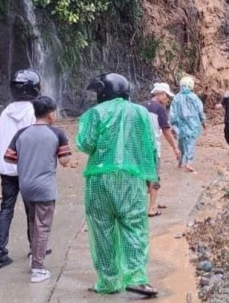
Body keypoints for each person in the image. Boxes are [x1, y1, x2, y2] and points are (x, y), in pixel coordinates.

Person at [76, 73, 159, 297]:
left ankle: (108, 281)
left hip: (99, 179)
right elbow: (150, 146)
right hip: (131, 178)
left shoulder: (95, 113)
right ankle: (137, 278)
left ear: (104, 91)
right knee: (134, 226)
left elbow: (85, 144)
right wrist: (152, 178)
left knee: (102, 229)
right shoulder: (141, 112)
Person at [3, 96, 71, 283]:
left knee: (33, 222)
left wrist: (28, 158)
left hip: (25, 186)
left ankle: (35, 255)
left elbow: (8, 158)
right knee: (43, 227)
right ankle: (38, 269)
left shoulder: (22, 133)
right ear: (51, 114)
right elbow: (65, 161)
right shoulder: (57, 133)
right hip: (45, 188)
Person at [0, 69, 41, 269]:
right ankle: (35, 249)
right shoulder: (32, 111)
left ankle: (0, 254)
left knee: (6, 209)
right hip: (27, 168)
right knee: (33, 210)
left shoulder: (6, 112)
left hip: (6, 168)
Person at [142, 83, 181, 217]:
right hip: (153, 148)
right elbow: (166, 130)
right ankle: (152, 208)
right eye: (167, 97)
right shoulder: (159, 109)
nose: (167, 100)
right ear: (160, 94)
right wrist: (175, 147)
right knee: (154, 177)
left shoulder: (140, 107)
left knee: (141, 176)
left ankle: (140, 205)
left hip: (137, 148)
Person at [169, 76, 207, 173]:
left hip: (180, 124)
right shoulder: (194, 97)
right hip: (192, 123)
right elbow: (200, 109)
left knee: (181, 142)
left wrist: (171, 123)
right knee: (190, 143)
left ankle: (180, 162)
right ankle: (189, 163)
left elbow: (172, 112)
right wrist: (203, 121)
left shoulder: (176, 97)